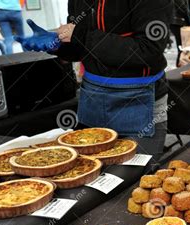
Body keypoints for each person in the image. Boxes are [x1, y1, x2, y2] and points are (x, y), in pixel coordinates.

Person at [17, 0, 173, 165]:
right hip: (93, 101)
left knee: (134, 179)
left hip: (139, 102)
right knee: (90, 173)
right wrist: (57, 46)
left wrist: (80, 35)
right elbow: (80, 49)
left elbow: (148, 50)